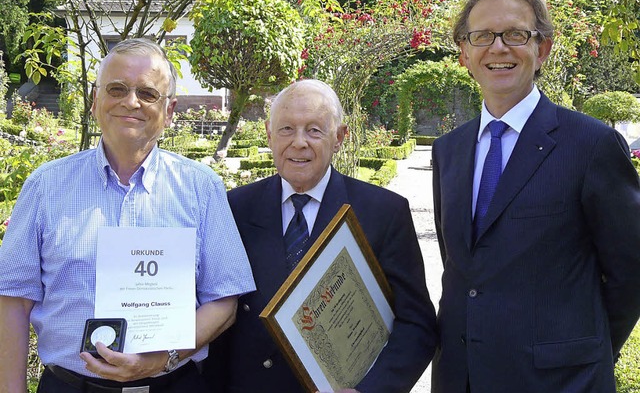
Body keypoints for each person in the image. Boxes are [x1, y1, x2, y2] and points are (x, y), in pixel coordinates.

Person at [0, 38, 256, 392]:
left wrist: (160, 358)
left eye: (148, 94)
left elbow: (224, 300)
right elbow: (12, 301)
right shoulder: (46, 186)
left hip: (173, 384)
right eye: (116, 89)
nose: (130, 102)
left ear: (169, 111)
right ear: (95, 101)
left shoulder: (201, 187)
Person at [431, 0, 640, 391]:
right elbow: (463, 269)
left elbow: (631, 272)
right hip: (461, 378)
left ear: (541, 49)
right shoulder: (448, 150)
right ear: (465, 54)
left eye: (516, 34)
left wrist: (584, 352)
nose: (498, 48)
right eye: (482, 36)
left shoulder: (592, 145)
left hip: (561, 381)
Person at [203, 79, 437, 393]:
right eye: (286, 129)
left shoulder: (384, 212)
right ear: (270, 136)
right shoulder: (235, 207)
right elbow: (216, 313)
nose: (299, 142)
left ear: (340, 137)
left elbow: (416, 324)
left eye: (314, 130)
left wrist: (372, 390)